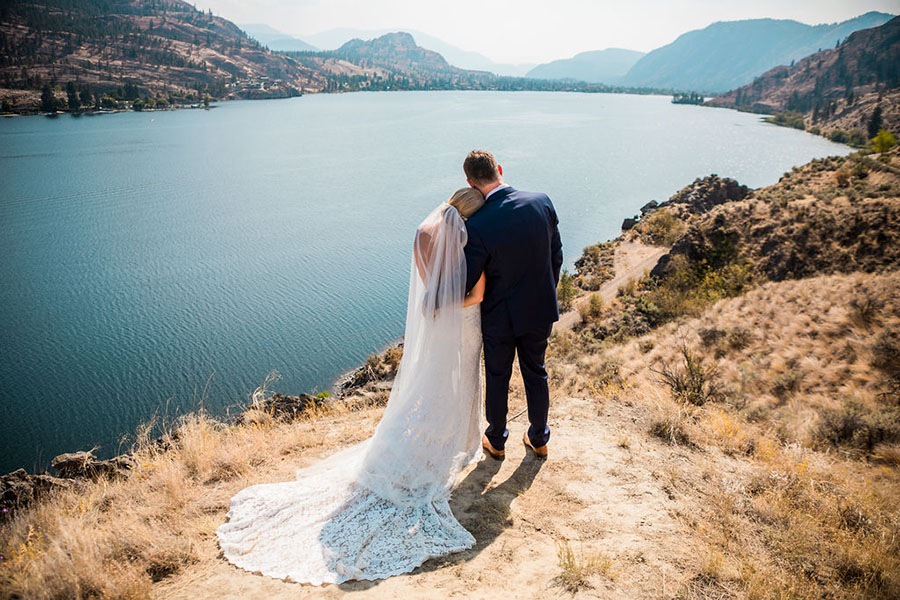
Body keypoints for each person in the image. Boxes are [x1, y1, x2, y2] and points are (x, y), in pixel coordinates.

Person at [216, 187, 488, 585]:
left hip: (433, 325)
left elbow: (430, 290)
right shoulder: (464, 243)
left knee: (431, 386)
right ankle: (460, 444)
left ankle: (442, 444)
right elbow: (473, 295)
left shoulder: (424, 232)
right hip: (463, 323)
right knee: (460, 382)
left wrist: (441, 303)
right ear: (467, 217)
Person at [461, 150, 563, 461]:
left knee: (498, 376)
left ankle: (497, 440)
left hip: (500, 318)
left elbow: (467, 281)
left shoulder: (478, 223)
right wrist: (545, 291)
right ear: (499, 170)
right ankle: (539, 438)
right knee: (537, 372)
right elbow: (556, 255)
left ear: (470, 182)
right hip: (539, 309)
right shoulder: (541, 201)